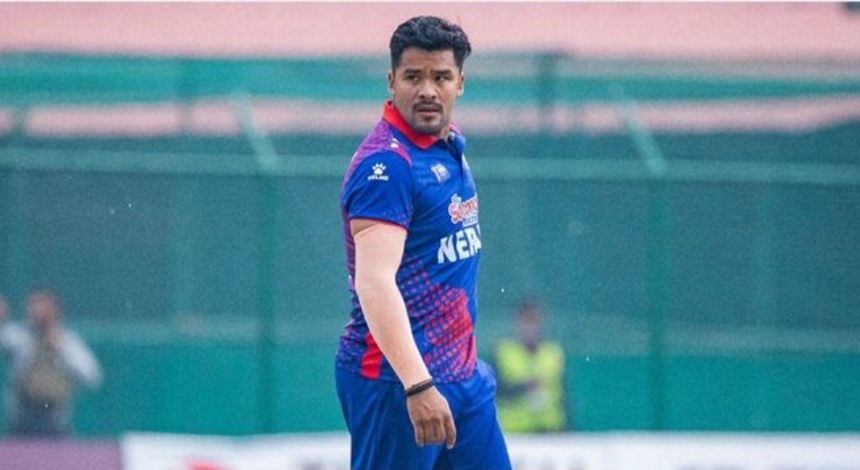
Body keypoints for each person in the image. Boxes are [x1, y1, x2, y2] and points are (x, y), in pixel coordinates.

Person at [335, 16, 512, 470]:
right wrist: (417, 384)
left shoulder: (445, 146)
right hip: (398, 381)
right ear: (392, 81)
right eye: (413, 77)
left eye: (441, 77)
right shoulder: (387, 166)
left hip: (463, 378)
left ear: (460, 83)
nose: (428, 90)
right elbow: (374, 283)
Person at [0, 289, 102, 437]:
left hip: (55, 418)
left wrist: (61, 350)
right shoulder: (19, 336)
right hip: (21, 416)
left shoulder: (68, 341)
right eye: (36, 308)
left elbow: (92, 375)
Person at [493, 298, 568, 433]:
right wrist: (523, 387)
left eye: (534, 321)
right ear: (517, 323)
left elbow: (564, 396)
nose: (530, 328)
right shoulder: (504, 351)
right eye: (526, 321)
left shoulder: (553, 353)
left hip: (550, 432)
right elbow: (496, 390)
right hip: (515, 433)